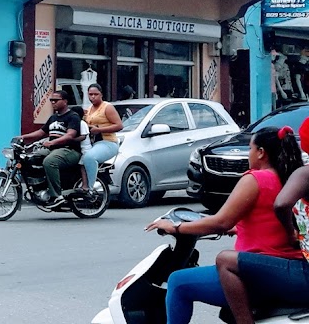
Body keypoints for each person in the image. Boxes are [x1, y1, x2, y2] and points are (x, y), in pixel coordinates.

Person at [145, 126, 304, 324]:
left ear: (261, 152)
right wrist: (238, 228)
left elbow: (220, 221)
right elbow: (271, 220)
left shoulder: (255, 178)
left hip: (260, 273)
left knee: (178, 282)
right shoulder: (289, 178)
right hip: (286, 267)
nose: (249, 154)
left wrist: (174, 227)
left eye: (250, 149)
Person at [217, 122, 309, 324]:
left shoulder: (304, 173)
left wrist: (291, 232)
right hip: (297, 267)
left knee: (223, 261)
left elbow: (281, 204)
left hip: (303, 272)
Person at [17, 89, 82, 209]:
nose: (53, 102)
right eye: (51, 100)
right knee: (29, 159)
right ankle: (39, 188)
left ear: (65, 101)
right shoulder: (53, 118)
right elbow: (41, 132)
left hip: (69, 150)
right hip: (53, 149)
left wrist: (52, 142)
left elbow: (70, 135)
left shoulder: (73, 116)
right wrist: (23, 137)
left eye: (56, 100)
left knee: (49, 161)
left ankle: (57, 196)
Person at [79, 84, 123, 193]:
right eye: (90, 94)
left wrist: (99, 130)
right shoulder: (89, 109)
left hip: (108, 142)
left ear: (101, 95)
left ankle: (90, 187)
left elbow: (119, 125)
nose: (93, 97)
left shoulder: (107, 107)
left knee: (89, 157)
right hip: (92, 143)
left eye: (96, 94)